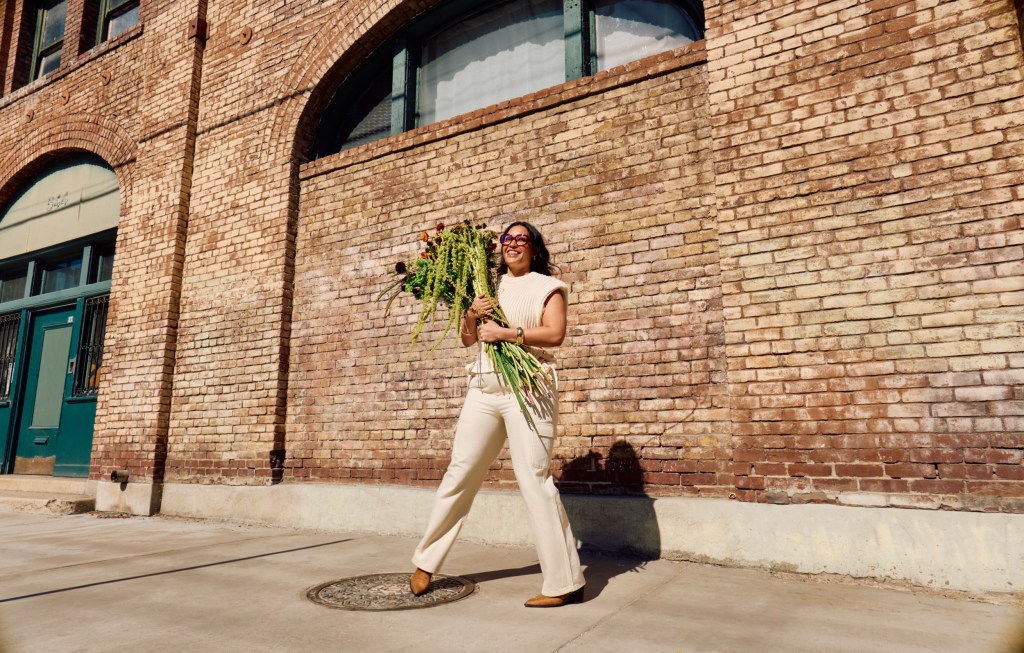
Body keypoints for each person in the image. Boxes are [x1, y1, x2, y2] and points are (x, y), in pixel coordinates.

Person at [409, 221, 585, 608]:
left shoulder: (548, 287)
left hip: (529, 388)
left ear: (534, 249)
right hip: (484, 388)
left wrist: (508, 333)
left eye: (522, 239)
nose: (513, 243)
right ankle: (426, 561)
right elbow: (468, 339)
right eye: (508, 238)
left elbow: (555, 334)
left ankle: (565, 582)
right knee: (461, 470)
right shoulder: (487, 285)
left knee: (534, 479)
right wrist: (472, 314)